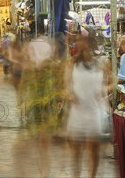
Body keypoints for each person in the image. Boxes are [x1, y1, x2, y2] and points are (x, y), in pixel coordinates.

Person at [20, 24, 67, 178]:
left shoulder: (30, 50)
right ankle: (44, 166)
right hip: (46, 98)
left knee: (41, 135)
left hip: (39, 98)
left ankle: (43, 166)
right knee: (44, 135)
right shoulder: (51, 58)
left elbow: (25, 75)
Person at [65, 36, 106, 178]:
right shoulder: (72, 63)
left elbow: (111, 82)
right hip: (78, 111)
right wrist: (70, 95)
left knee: (93, 151)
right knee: (76, 152)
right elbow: (65, 85)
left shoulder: (101, 63)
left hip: (94, 111)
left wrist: (104, 90)